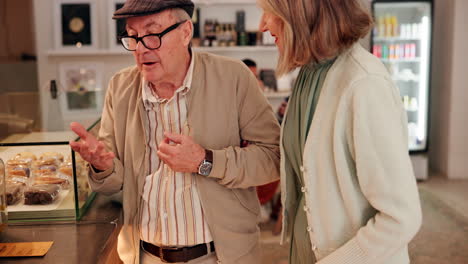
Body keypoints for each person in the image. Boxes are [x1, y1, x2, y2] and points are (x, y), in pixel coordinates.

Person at [69, 0, 281, 263]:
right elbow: (114, 183)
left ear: (185, 32)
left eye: (153, 34)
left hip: (221, 256)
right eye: (133, 37)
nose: (142, 48)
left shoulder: (234, 78)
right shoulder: (121, 87)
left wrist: (205, 161)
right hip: (145, 255)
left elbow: (273, 158)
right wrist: (102, 167)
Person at [258, 0, 422, 263]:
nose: (262, 24)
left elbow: (402, 217)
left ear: (301, 11)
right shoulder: (309, 73)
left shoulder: (365, 84)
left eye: (270, 11)